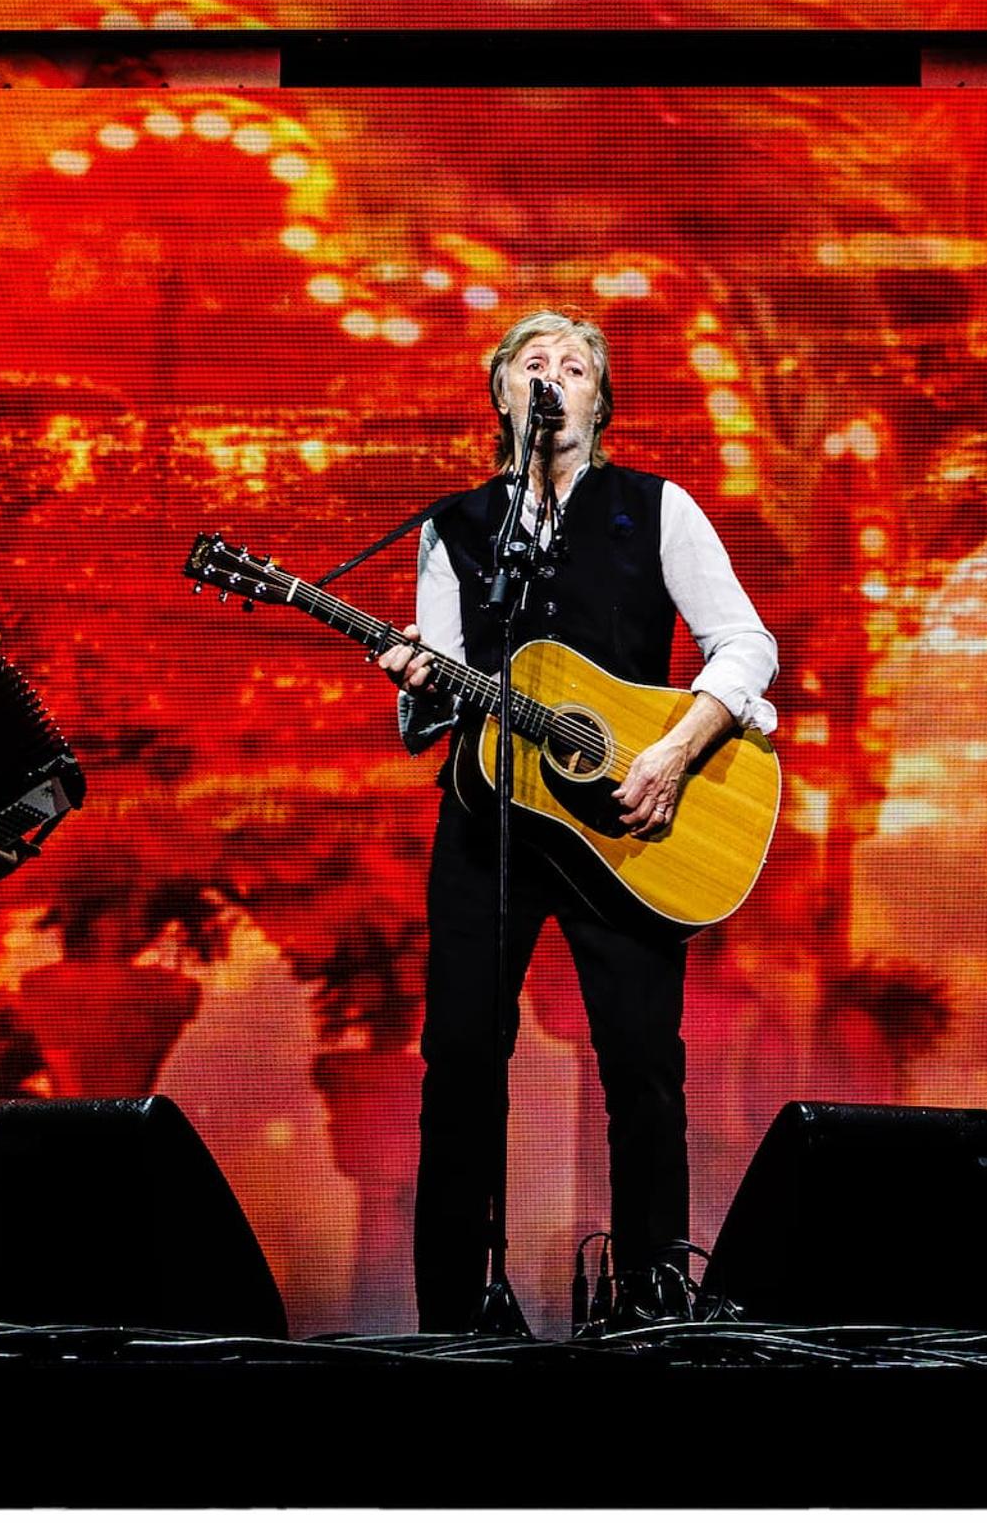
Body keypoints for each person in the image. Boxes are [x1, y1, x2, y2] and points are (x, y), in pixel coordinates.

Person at [372, 310, 779, 1329]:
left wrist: (673, 752)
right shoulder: (454, 526)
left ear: (601, 400)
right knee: (461, 1059)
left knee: (643, 1066)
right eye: (531, 364)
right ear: (500, 392)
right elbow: (438, 692)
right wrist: (420, 683)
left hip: (631, 825)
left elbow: (744, 645)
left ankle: (652, 1296)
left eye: (575, 365)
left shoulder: (658, 508)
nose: (552, 378)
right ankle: (454, 1312)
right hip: (490, 824)